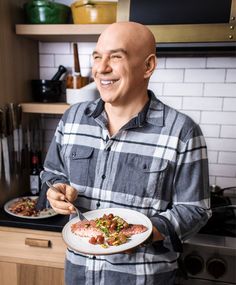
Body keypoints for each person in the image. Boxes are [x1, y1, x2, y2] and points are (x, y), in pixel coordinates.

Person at [41, 22, 211, 285]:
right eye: (97, 57)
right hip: (78, 275)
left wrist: (138, 233)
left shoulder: (182, 131)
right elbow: (52, 172)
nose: (101, 68)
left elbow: (195, 210)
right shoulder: (73, 118)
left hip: (142, 278)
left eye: (116, 57)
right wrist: (56, 190)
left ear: (148, 66)